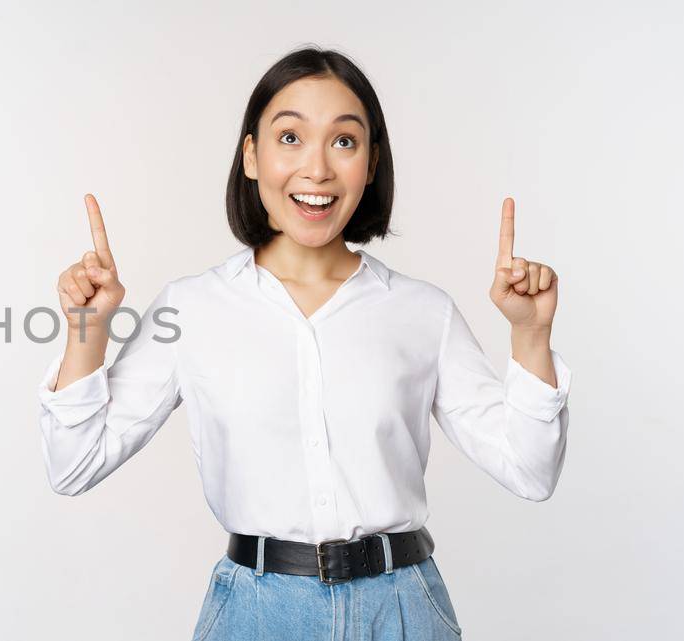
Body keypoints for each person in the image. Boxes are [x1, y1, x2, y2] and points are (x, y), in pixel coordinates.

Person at [35, 47, 571, 641]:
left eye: (344, 142)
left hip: (401, 612)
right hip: (256, 614)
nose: (316, 168)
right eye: (290, 137)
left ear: (370, 165)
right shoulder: (192, 307)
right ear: (251, 156)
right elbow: (73, 467)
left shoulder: (422, 312)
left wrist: (530, 334)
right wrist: (86, 331)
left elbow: (531, 471)